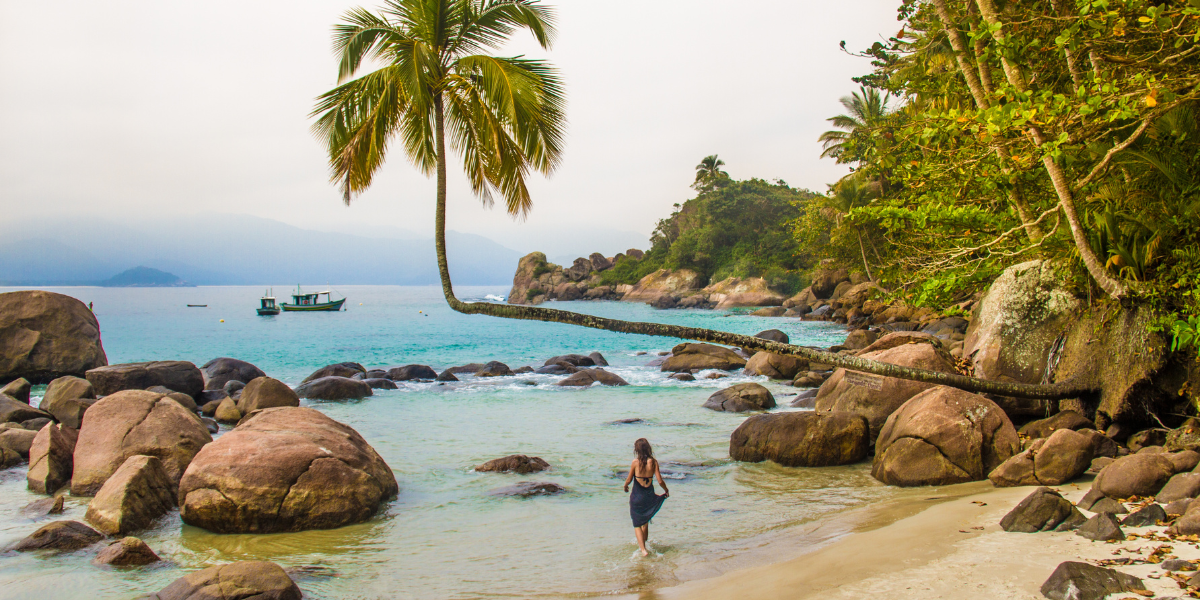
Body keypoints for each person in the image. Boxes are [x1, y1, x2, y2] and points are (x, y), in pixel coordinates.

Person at [622, 438, 669, 557]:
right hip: (649, 496)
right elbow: (659, 480)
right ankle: (645, 544)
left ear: (636, 450)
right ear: (648, 448)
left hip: (637, 496)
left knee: (637, 524)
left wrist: (625, 486)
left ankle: (643, 550)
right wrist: (666, 490)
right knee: (646, 519)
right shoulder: (653, 462)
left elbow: (629, 479)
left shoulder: (635, 462)